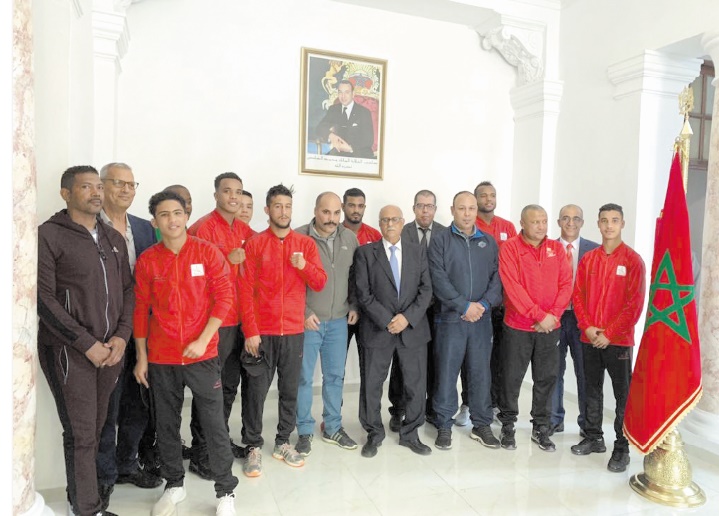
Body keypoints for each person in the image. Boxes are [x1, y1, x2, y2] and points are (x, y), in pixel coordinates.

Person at [133, 191, 238, 516]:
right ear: (155, 222)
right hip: (162, 358)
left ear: (186, 217)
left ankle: (225, 493)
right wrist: (141, 356)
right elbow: (140, 310)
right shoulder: (149, 259)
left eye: (177, 213)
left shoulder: (206, 253)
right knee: (166, 424)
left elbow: (224, 298)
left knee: (213, 424)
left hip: (203, 356)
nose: (172, 220)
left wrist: (204, 338)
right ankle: (174, 486)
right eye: (164, 215)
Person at [38, 165, 134, 516]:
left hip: (111, 351)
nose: (96, 193)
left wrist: (121, 338)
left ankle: (79, 502)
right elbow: (43, 299)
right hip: (69, 351)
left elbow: (128, 291)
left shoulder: (113, 239)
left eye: (98, 186)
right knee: (81, 434)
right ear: (66, 193)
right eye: (86, 187)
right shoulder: (48, 235)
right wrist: (86, 344)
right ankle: (88, 509)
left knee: (92, 431)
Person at [239, 184, 327, 477]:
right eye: (277, 206)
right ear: (267, 210)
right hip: (261, 334)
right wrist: (250, 331)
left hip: (293, 332)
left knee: (289, 390)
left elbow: (319, 282)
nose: (283, 212)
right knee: (255, 392)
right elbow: (245, 290)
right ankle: (252, 445)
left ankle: (282, 441)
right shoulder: (254, 244)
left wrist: (303, 266)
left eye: (288, 206)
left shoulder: (305, 244)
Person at [96, 163, 161, 501]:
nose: (125, 189)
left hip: (144, 330)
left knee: (139, 402)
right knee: (107, 406)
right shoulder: (90, 226)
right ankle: (103, 476)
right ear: (102, 186)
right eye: (117, 183)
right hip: (108, 331)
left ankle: (126, 464)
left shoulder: (143, 228)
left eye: (130, 184)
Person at [186, 172, 255, 477]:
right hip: (214, 323)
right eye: (227, 191)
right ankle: (201, 454)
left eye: (238, 192)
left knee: (228, 388)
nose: (233, 197)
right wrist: (228, 257)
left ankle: (220, 443)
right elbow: (194, 275)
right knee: (208, 390)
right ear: (216, 194)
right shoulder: (202, 228)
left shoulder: (244, 228)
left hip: (239, 320)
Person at [570, 203, 646, 473]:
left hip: (619, 342)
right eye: (604, 220)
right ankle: (593, 437)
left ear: (622, 224)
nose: (609, 225)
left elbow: (634, 304)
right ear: (598, 224)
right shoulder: (589, 259)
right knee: (591, 388)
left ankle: (622, 448)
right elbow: (577, 295)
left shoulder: (633, 261)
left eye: (615, 220)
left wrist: (610, 334)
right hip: (588, 338)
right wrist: (588, 328)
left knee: (622, 395)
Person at [354, 205, 434, 458]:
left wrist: (406, 318)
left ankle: (410, 434)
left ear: (402, 223)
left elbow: (426, 290)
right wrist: (389, 320)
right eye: (385, 219)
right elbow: (363, 294)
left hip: (412, 330)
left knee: (415, 384)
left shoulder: (417, 251)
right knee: (372, 385)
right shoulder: (365, 253)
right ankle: (374, 434)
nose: (390, 223)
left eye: (395, 219)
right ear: (379, 224)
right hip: (378, 329)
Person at [428, 192, 503, 450]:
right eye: (462, 208)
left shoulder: (489, 242)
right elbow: (438, 279)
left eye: (472, 208)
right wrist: (463, 305)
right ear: (452, 210)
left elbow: (497, 280)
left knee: (481, 373)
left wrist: (481, 306)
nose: (468, 213)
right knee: (446, 373)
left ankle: (481, 425)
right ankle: (444, 425)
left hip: (481, 320)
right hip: (450, 319)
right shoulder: (440, 241)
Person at [497, 204, 572, 452]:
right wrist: (538, 315)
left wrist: (553, 316)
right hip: (518, 327)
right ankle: (508, 425)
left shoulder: (557, 249)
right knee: (511, 378)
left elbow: (566, 284)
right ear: (522, 223)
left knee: (546, 378)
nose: (541, 226)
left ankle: (541, 427)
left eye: (544, 221)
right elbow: (512, 287)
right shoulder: (510, 249)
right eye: (535, 222)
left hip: (550, 328)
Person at [294, 192, 359, 457]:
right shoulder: (299, 238)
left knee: (335, 377)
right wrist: (304, 311)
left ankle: (332, 426)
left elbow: (355, 277)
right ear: (315, 210)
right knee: (303, 378)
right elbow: (290, 283)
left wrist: (354, 305)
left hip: (338, 322)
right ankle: (304, 431)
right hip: (309, 321)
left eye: (336, 213)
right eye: (326, 212)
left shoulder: (350, 238)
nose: (331, 219)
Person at [388, 190, 446, 430]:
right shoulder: (404, 231)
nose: (425, 210)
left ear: (435, 209)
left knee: (435, 360)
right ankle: (398, 408)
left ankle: (430, 407)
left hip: (439, 309)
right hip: (409, 309)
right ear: (413, 208)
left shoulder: (445, 233)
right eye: (421, 206)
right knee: (402, 361)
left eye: (430, 206)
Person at [549, 204, 599, 437]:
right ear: (558, 222)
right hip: (555, 318)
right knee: (553, 370)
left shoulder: (594, 251)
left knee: (584, 371)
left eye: (576, 219)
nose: (571, 223)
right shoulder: (547, 248)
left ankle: (587, 423)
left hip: (583, 321)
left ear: (582, 222)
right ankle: (553, 419)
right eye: (566, 218)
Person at [473, 181, 518, 427]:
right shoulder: (470, 224)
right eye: (483, 195)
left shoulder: (507, 226)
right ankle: (471, 402)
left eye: (492, 195)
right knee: (477, 358)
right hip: (479, 303)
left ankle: (497, 404)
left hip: (505, 303)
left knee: (502, 358)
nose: (488, 199)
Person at [315, 79, 375, 159]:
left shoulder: (364, 112)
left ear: (353, 94)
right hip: (338, 153)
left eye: (347, 92)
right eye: (340, 92)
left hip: (360, 154)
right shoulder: (334, 109)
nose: (343, 96)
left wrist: (350, 148)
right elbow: (320, 127)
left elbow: (368, 140)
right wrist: (331, 135)